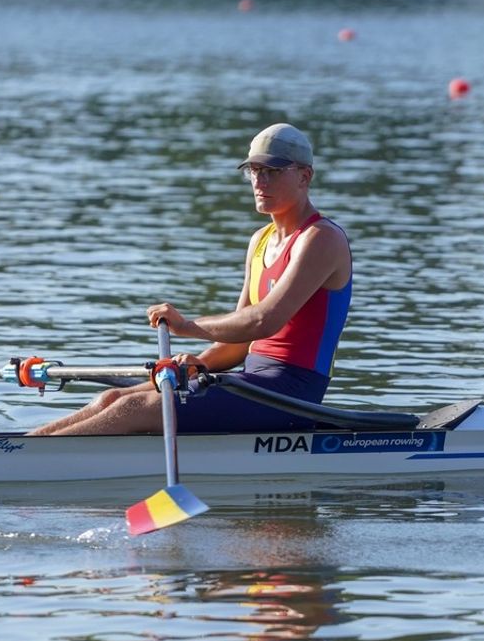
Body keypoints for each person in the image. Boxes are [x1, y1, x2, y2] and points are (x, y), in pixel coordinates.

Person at [28, 123, 352, 436]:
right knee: (112, 399)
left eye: (273, 171)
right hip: (253, 381)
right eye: (254, 171)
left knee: (135, 408)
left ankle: (22, 463)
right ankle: (17, 450)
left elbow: (263, 321)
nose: (260, 181)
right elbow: (238, 342)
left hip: (291, 394)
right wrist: (203, 363)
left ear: (305, 176)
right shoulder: (260, 240)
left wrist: (186, 326)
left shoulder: (320, 238)